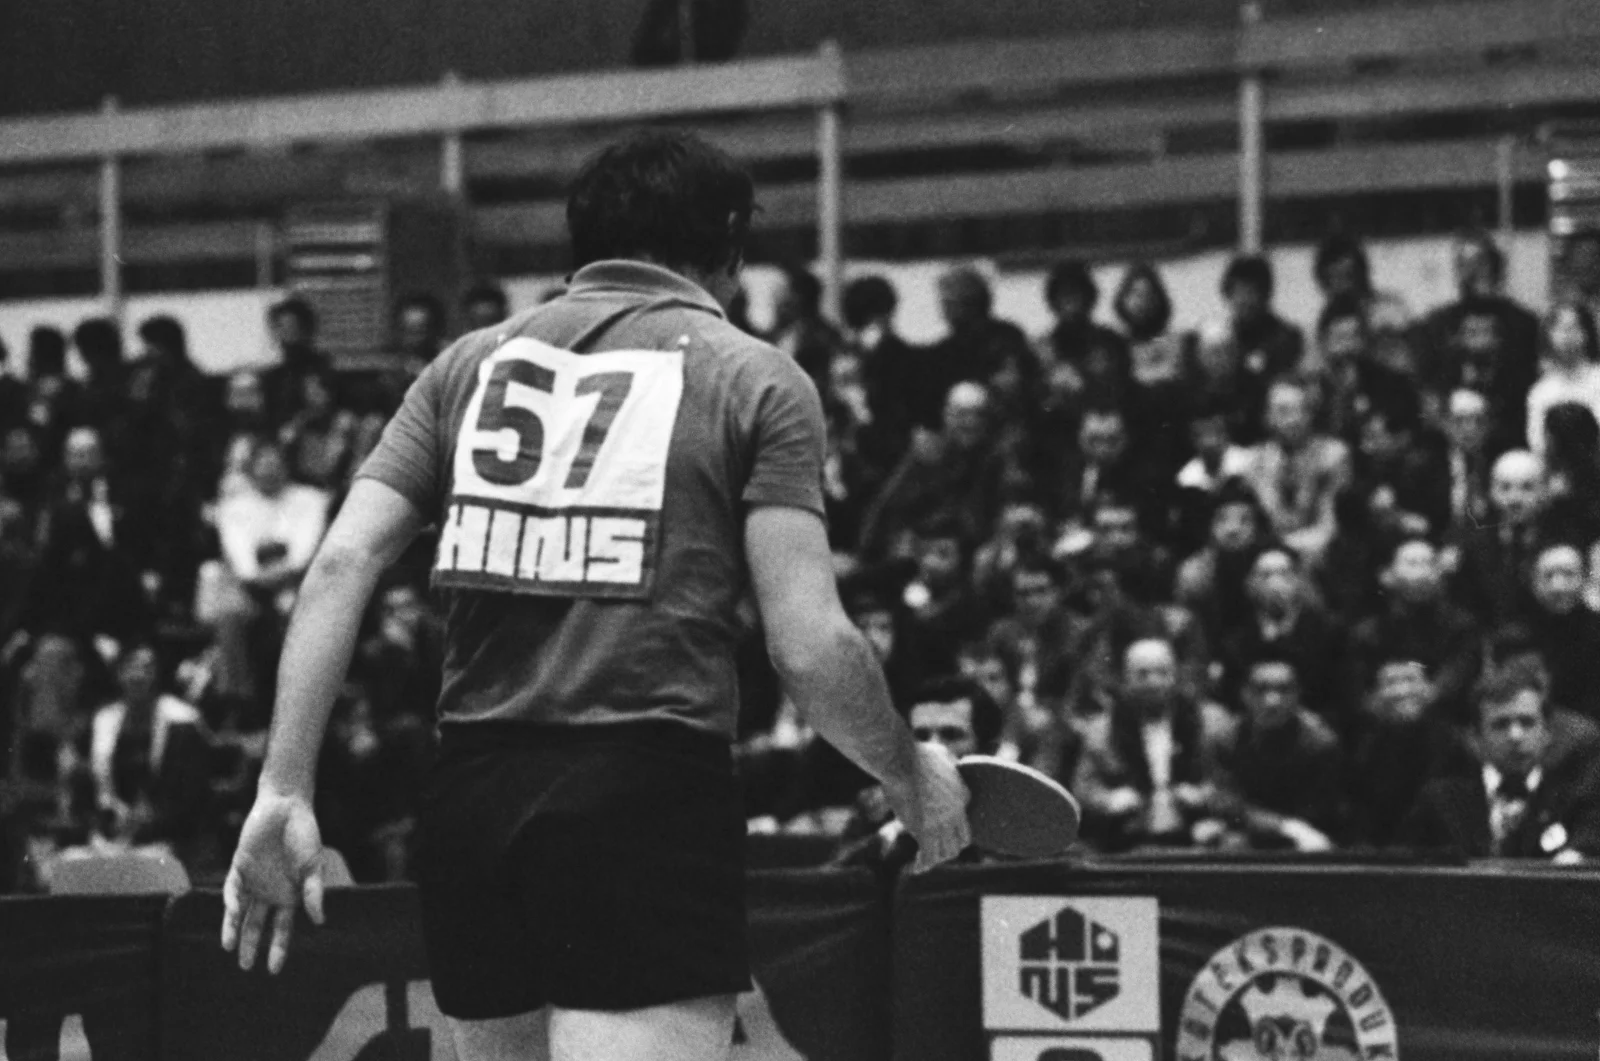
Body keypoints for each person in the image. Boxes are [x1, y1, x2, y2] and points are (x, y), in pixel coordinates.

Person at [219, 131, 969, 1061]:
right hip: (643, 790)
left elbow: (339, 565)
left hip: (474, 796)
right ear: (728, 245)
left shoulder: (463, 366)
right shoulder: (755, 377)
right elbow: (809, 645)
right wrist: (906, 771)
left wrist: (284, 786)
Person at [1399, 655, 1600, 860]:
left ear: (1547, 732)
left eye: (1527, 722)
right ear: (1475, 738)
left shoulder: (1576, 800)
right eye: (1501, 725)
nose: (1515, 736)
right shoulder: (1441, 802)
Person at [1526, 302, 1600, 460]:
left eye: (1574, 327)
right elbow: (1537, 442)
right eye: (1560, 328)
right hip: (1556, 465)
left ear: (1587, 333)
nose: (1567, 334)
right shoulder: (1541, 391)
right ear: (1548, 336)